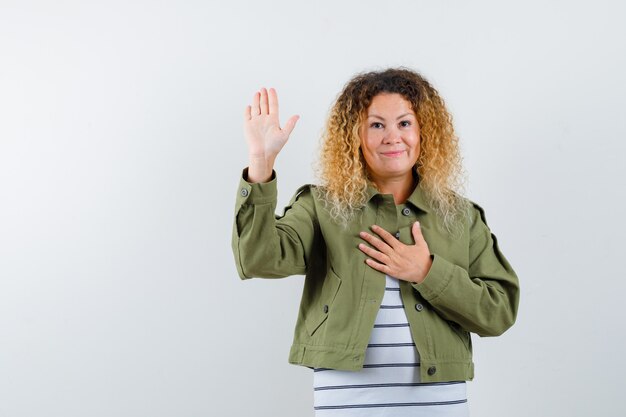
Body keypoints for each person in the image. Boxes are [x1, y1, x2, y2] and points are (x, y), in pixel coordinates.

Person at [232, 68, 520, 416]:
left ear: (424, 131)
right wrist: (261, 164)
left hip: (438, 405)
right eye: (376, 125)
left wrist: (428, 272)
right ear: (354, 135)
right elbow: (257, 259)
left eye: (404, 123)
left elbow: (499, 311)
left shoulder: (460, 216)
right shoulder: (323, 207)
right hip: (346, 404)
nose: (392, 137)